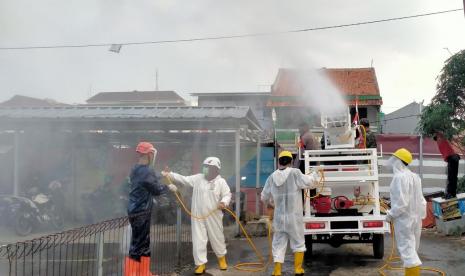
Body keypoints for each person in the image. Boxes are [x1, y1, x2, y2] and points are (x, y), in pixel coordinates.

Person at [162, 157, 231, 275]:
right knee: (198, 239)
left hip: (213, 215)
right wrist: (170, 174)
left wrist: (224, 202)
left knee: (217, 238)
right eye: (205, 167)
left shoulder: (221, 182)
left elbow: (227, 194)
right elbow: (184, 179)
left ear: (216, 169)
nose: (206, 169)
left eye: (208, 168)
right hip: (197, 215)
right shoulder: (198, 178)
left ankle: (222, 260)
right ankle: (200, 264)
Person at [261, 151, 320, 276]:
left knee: (278, 243)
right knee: (298, 242)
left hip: (279, 218)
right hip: (294, 218)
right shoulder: (295, 173)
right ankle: (298, 270)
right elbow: (310, 182)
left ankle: (277, 271)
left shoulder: (271, 177)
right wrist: (316, 173)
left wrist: (270, 203)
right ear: (291, 161)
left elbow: (264, 196)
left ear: (279, 162)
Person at [125, 142, 169, 276]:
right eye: (152, 154)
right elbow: (155, 189)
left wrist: (161, 175)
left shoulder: (136, 169)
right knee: (138, 245)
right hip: (141, 211)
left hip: (136, 210)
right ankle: (131, 273)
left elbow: (147, 180)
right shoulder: (146, 171)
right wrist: (168, 187)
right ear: (149, 154)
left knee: (143, 243)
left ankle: (144, 272)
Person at [386, 148, 427, 276]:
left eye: (394, 159)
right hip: (415, 219)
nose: (391, 162)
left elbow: (402, 203)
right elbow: (421, 200)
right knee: (412, 250)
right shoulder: (415, 177)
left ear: (399, 161)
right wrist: (420, 216)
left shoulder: (399, 178)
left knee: (408, 253)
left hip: (404, 220)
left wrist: (390, 215)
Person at [434, 132, 461, 199]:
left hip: (453, 157)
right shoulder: (439, 142)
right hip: (451, 158)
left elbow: (442, 131)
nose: (438, 140)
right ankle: (451, 193)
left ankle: (451, 194)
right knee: (451, 177)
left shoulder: (443, 137)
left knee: (452, 177)